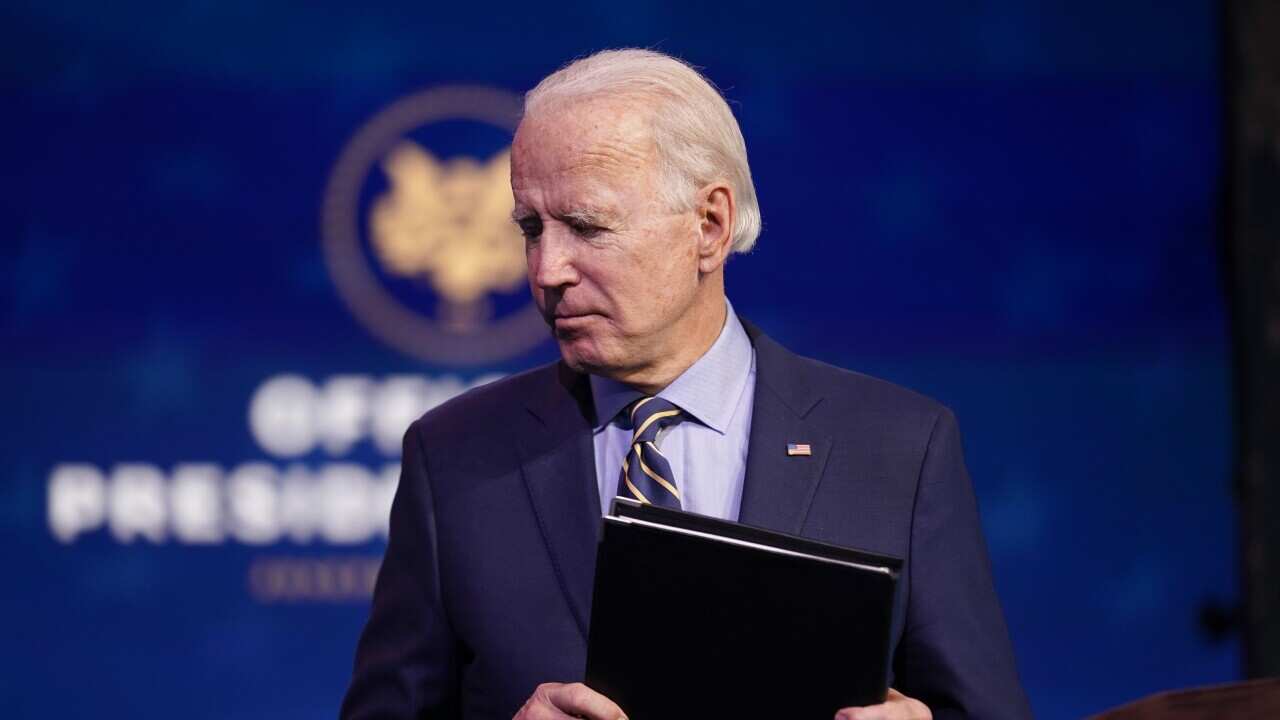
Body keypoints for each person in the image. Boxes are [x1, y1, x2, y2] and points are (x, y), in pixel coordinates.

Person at [341, 48, 1032, 720]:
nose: (548, 269)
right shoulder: (456, 456)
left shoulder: (897, 449)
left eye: (585, 226)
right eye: (531, 228)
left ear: (710, 225)